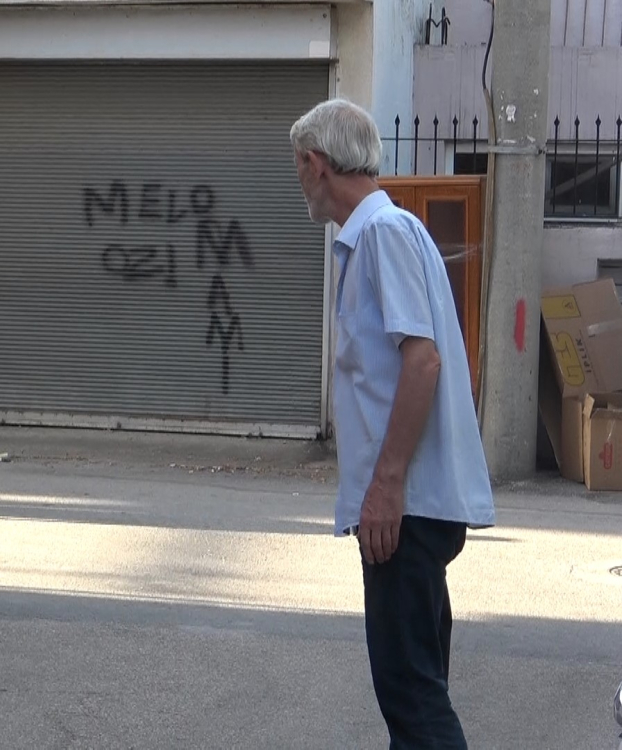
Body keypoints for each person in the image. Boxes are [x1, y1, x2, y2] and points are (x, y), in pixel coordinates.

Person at [289, 98, 495, 748]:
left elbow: (422, 361)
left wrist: (385, 486)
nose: (299, 181)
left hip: (406, 510)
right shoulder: (381, 234)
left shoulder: (381, 233)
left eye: (298, 167)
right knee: (415, 698)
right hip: (410, 508)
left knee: (413, 703)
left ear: (317, 163)